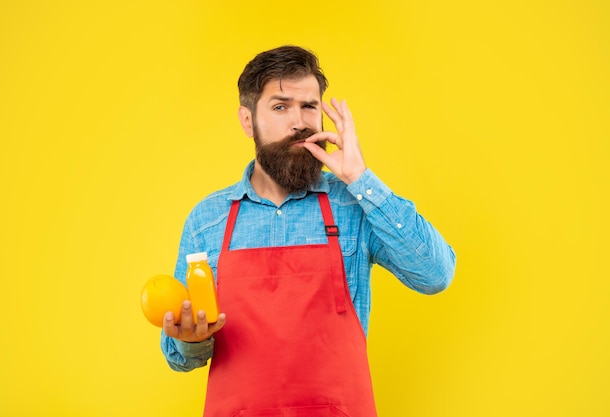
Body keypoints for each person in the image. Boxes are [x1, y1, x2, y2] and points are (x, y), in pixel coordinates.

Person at [160, 45, 456, 417]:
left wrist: (360, 179)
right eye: (280, 107)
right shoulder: (208, 221)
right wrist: (191, 341)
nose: (298, 121)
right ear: (248, 120)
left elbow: (435, 274)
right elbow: (178, 358)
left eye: (309, 106)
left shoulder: (354, 204)